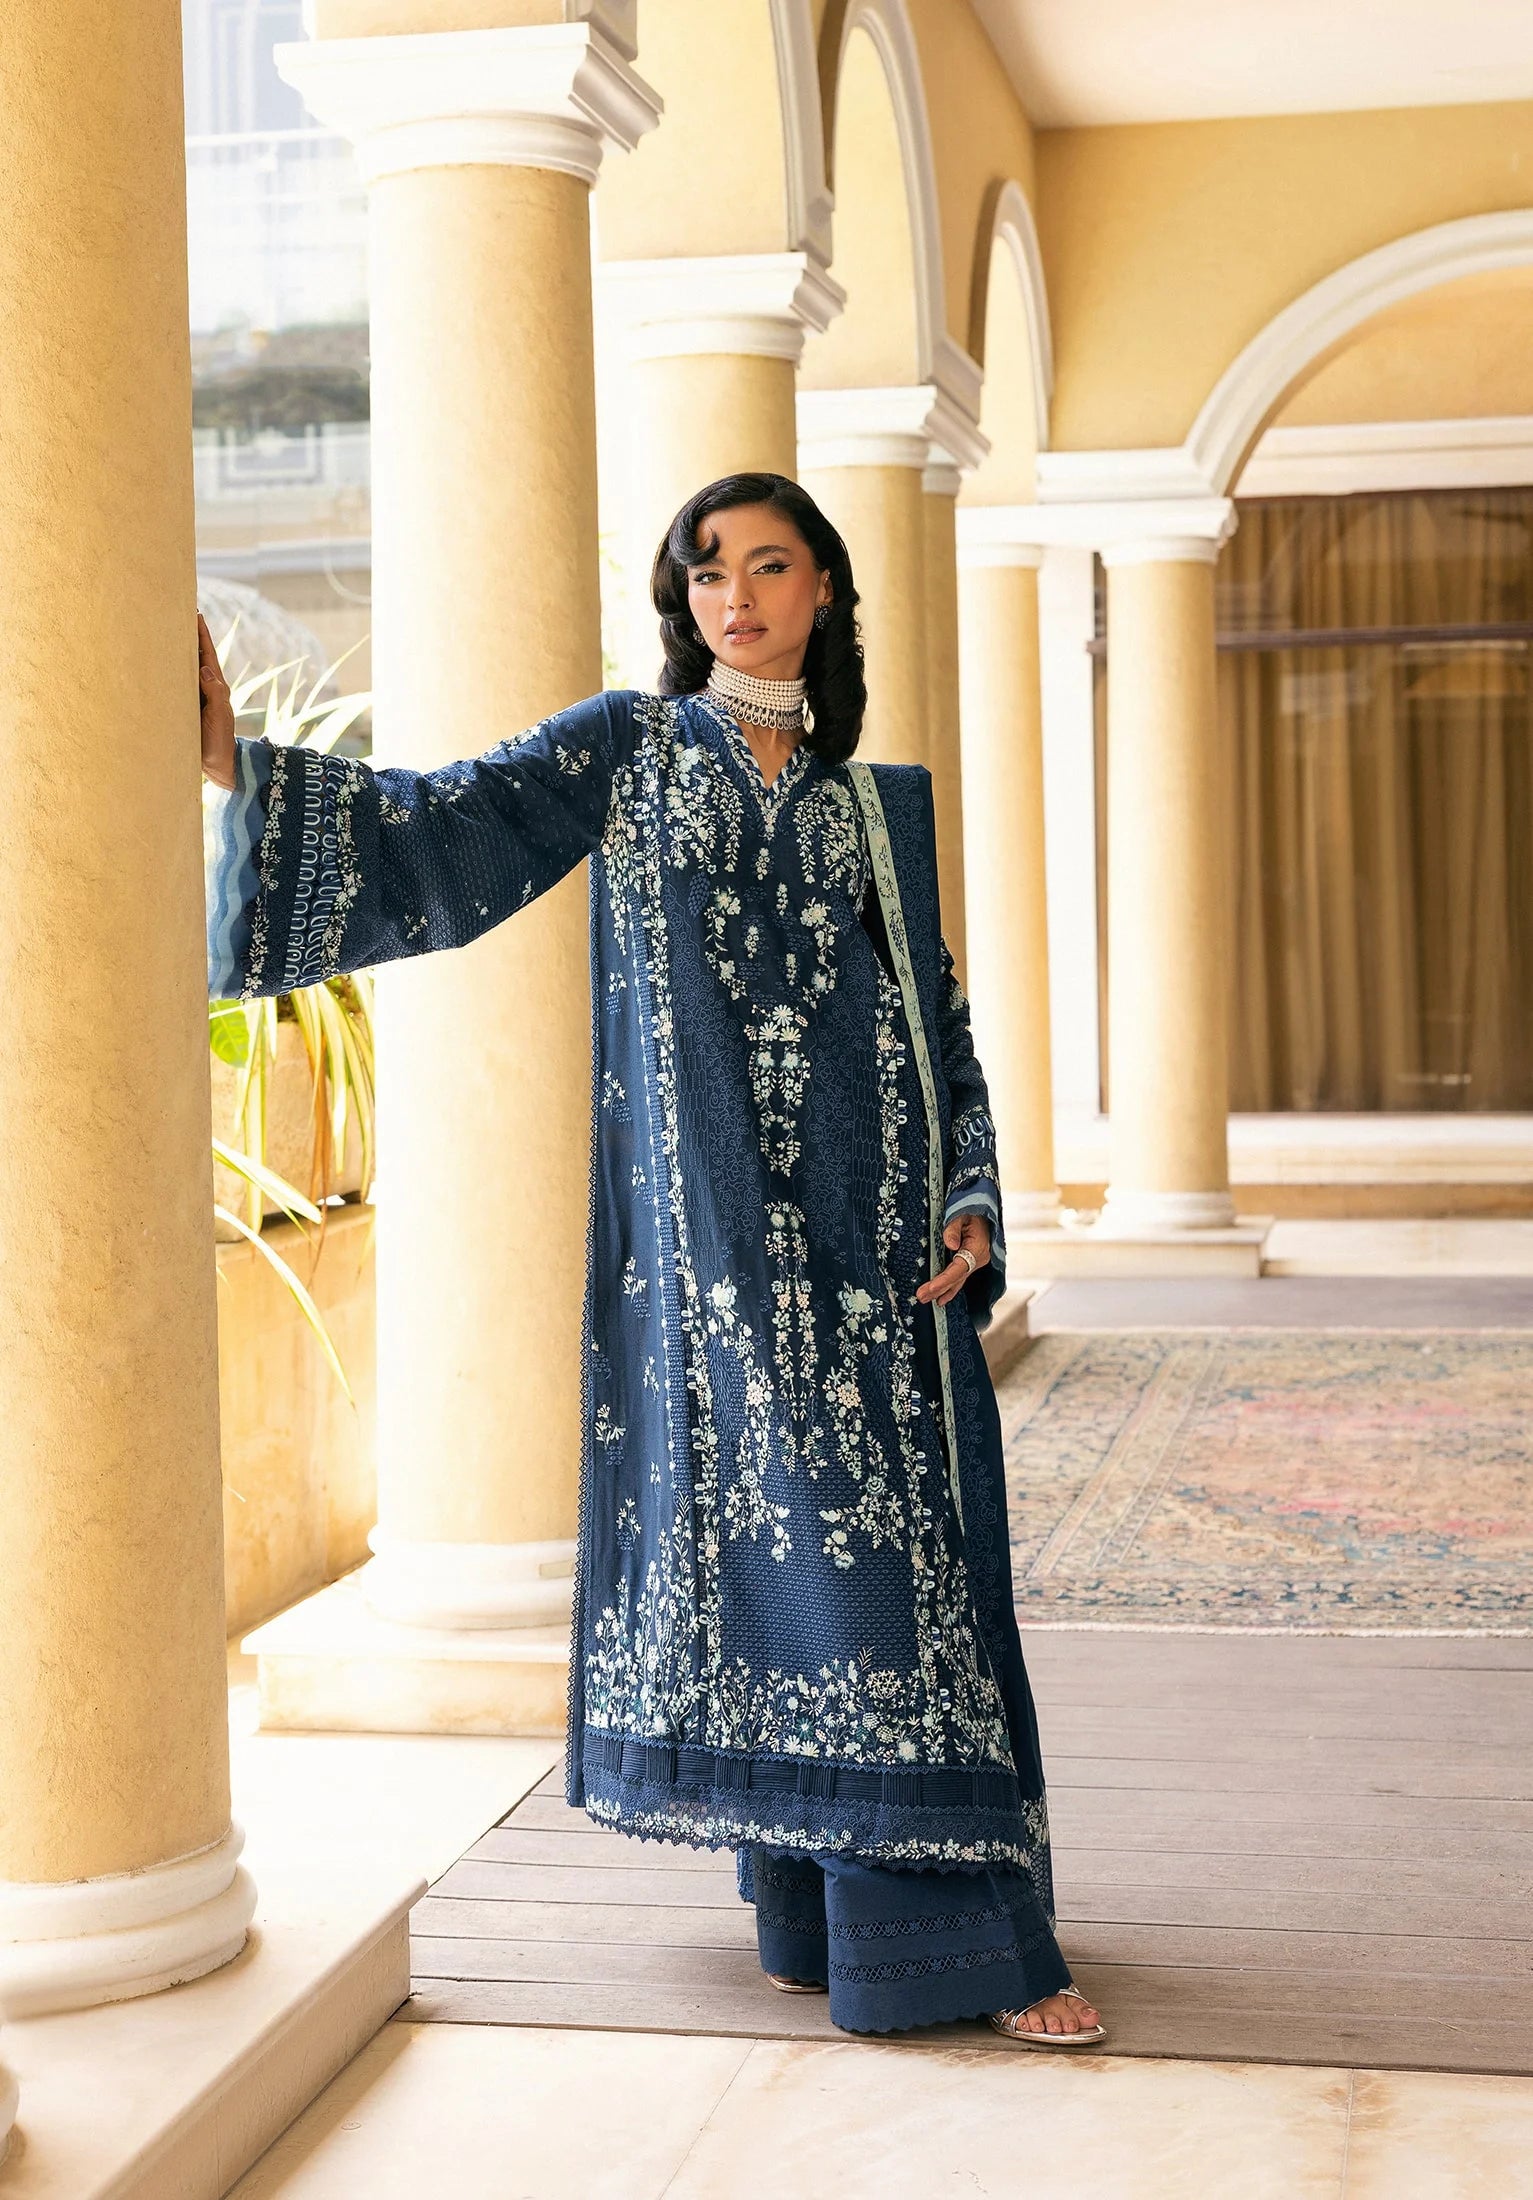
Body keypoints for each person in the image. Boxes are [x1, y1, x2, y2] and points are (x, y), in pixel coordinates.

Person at [199, 471, 1105, 2046]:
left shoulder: (868, 811)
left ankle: (819, 1915)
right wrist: (231, 767)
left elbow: (933, 1024)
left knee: (885, 1580)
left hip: (880, 1266)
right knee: (838, 1579)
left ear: (824, 587)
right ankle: (967, 1951)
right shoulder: (629, 753)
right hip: (716, 1274)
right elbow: (442, 826)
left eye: (767, 565)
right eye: (704, 572)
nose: (734, 597)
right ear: (678, 603)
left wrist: (968, 1194)